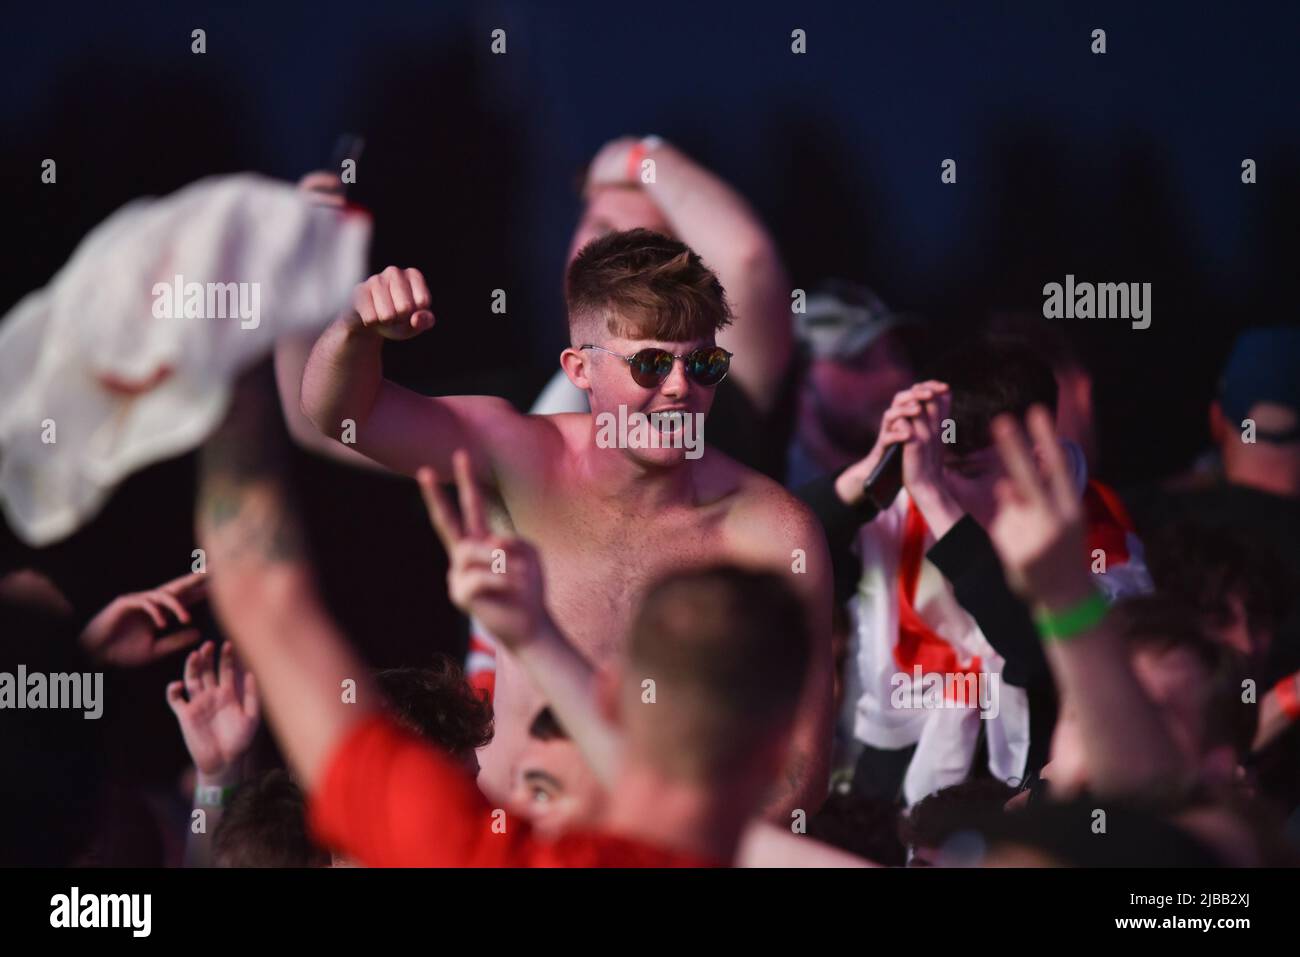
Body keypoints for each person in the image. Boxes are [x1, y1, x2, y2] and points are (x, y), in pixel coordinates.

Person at [299, 228, 833, 815]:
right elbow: (343, 413)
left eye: (703, 363)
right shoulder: (522, 456)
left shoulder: (774, 532)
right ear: (580, 370)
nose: (681, 388)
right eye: (651, 364)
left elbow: (800, 763)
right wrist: (355, 328)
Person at [194, 375, 816, 866]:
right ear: (763, 761)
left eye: (538, 789)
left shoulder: (472, 854)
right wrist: (537, 638)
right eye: (526, 784)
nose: (511, 806)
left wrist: (229, 375)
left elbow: (264, 599)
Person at [796, 339, 1151, 806]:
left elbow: (1036, 652)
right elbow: (786, 555)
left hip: (1027, 795)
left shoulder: (1097, 532)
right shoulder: (907, 497)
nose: (934, 483)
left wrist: (936, 499)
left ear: (1038, 460)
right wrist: (871, 467)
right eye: (930, 465)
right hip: (891, 782)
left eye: (964, 469)